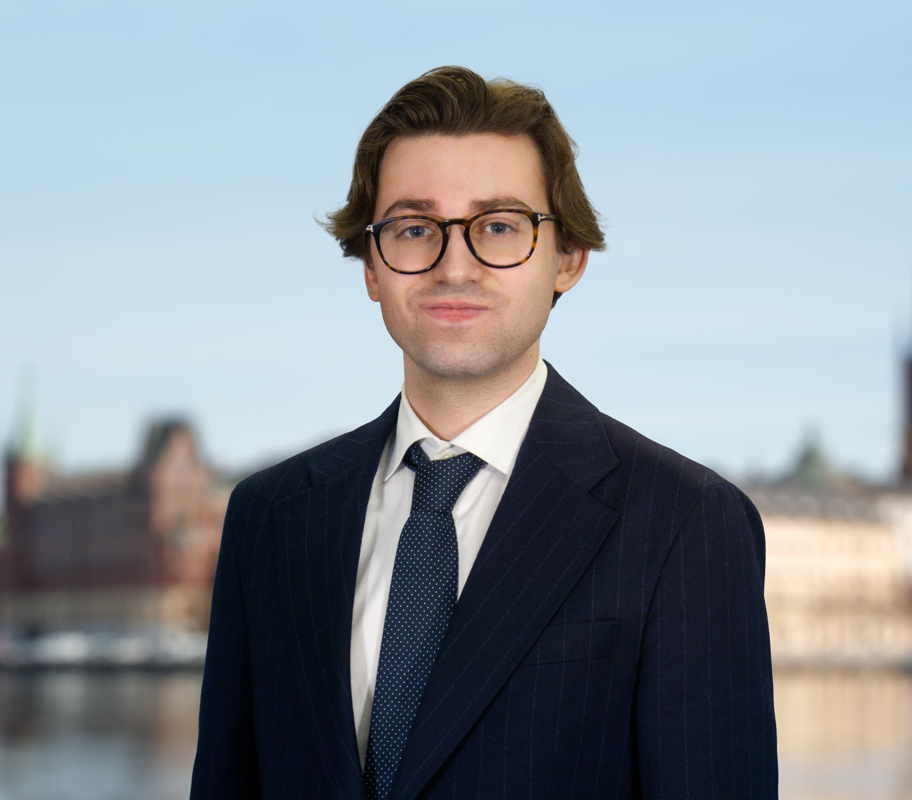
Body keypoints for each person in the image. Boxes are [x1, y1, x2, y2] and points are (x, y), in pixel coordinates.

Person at [190, 67, 777, 800]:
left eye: (498, 226)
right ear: (371, 267)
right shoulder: (269, 518)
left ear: (568, 259)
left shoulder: (685, 522)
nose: (454, 266)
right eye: (414, 229)